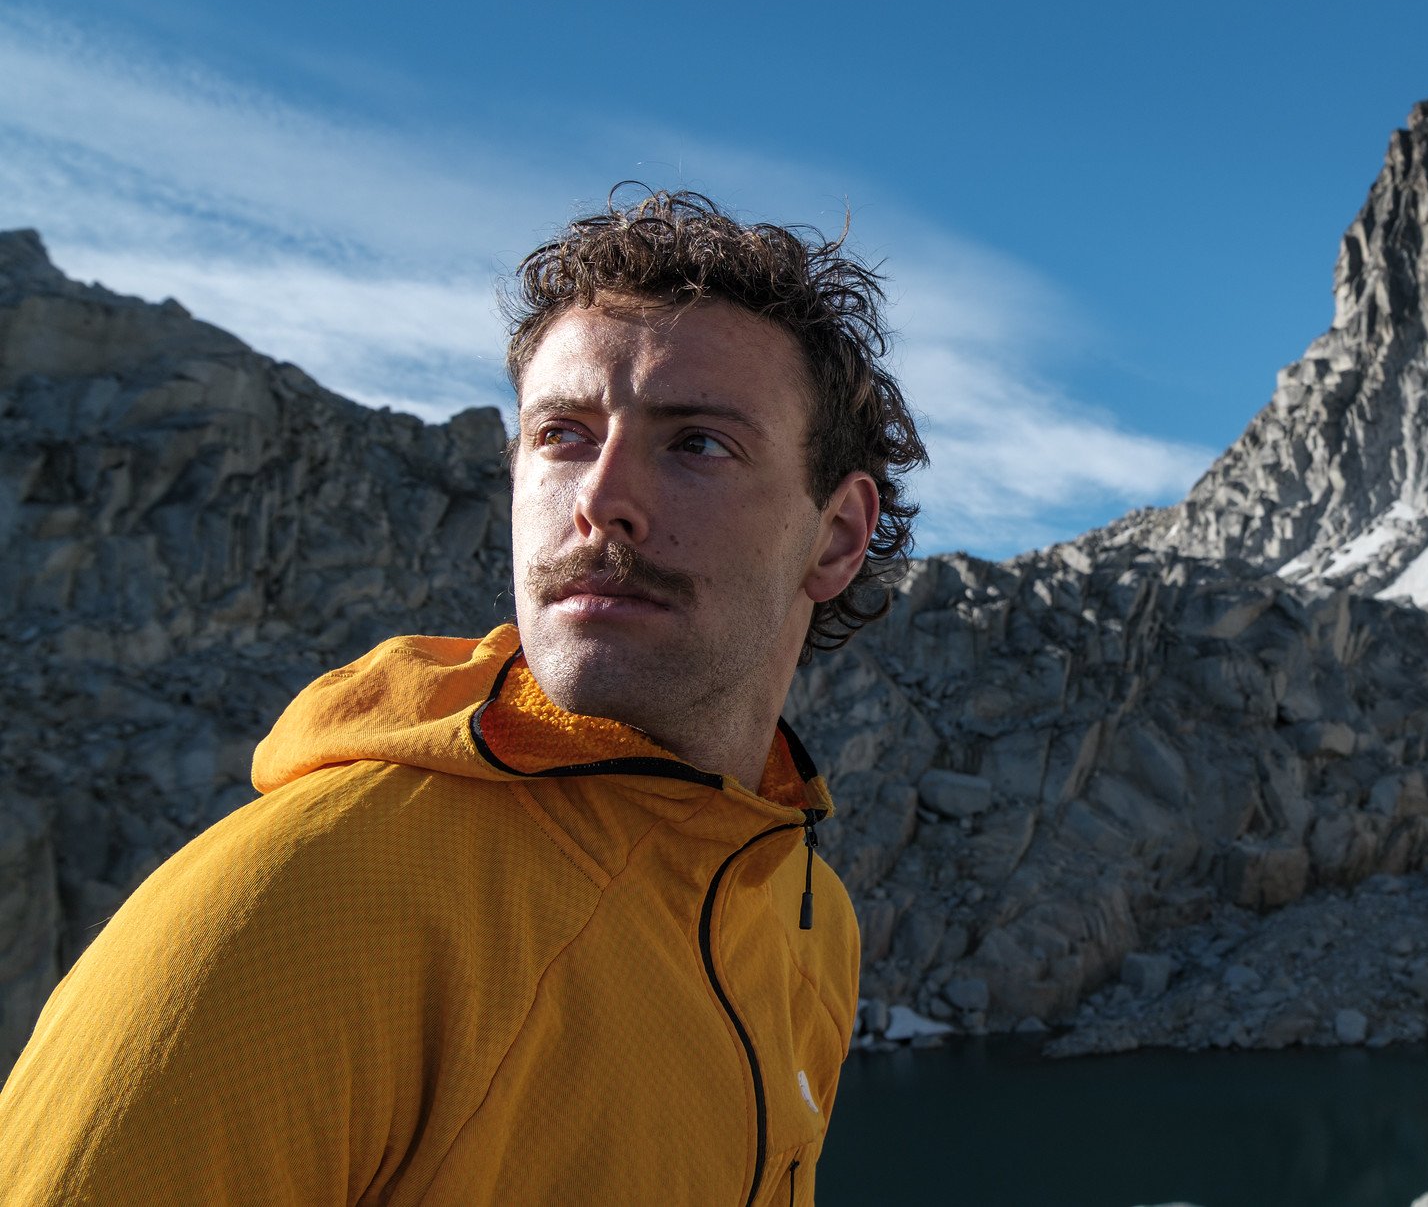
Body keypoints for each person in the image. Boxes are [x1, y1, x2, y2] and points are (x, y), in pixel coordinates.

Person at [0, 188, 926, 1204]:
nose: (600, 501)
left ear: (836, 535)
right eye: (562, 435)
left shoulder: (808, 921)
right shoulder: (304, 906)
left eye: (696, 442)